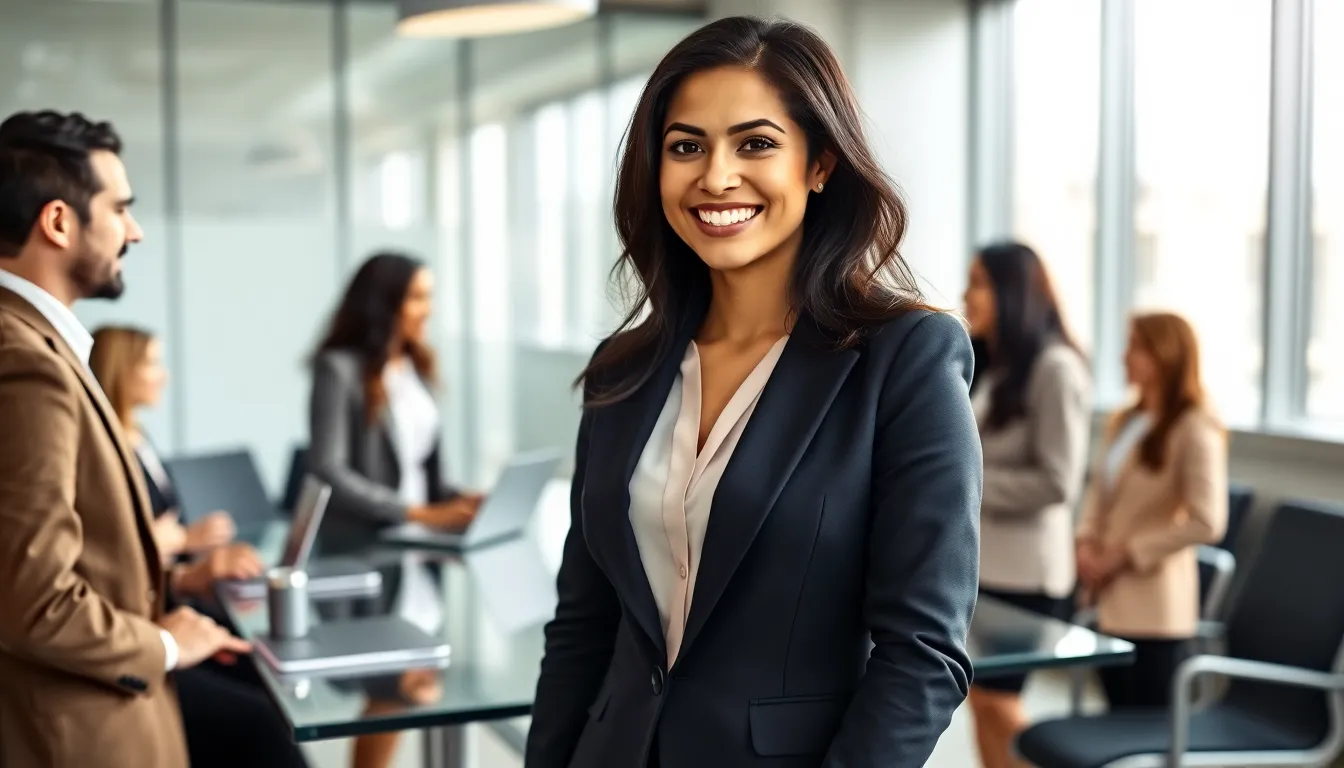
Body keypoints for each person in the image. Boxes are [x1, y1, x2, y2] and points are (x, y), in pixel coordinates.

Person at [526, 16, 982, 768]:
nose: (715, 176)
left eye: (756, 143)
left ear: (821, 163)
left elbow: (923, 654)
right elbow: (583, 624)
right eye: (686, 147)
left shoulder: (904, 359)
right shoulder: (622, 370)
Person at [0, 110, 252, 767]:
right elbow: (34, 598)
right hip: (84, 732)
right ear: (58, 222)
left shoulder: (36, 345)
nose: (134, 231)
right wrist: (165, 644)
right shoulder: (24, 360)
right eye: (121, 208)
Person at [960, 242, 1091, 768]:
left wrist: (965, 482)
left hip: (1027, 577)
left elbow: (1058, 482)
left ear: (1012, 293)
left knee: (998, 701)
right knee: (982, 703)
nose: (967, 294)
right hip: (984, 566)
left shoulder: (1056, 368)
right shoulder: (991, 365)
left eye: (979, 283)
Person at [1076, 311, 1228, 709]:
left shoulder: (1195, 427)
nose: (1125, 357)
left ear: (1166, 355)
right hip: (1107, 596)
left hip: (1155, 606)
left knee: (1146, 728)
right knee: (1116, 718)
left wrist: (1127, 552)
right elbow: (1100, 491)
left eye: (1136, 348)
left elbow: (1207, 521)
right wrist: (1086, 541)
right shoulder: (1126, 419)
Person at [89, 324, 236, 562]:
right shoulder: (102, 451)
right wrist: (185, 538)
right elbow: (114, 547)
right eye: (152, 363)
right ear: (121, 370)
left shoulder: (139, 436)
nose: (163, 376)